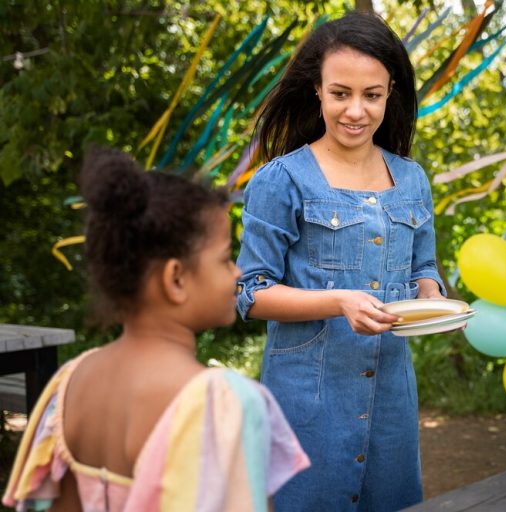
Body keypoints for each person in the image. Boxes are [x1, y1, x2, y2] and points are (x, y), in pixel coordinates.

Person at [3, 147, 309, 511]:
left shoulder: (70, 383)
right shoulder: (222, 403)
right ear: (175, 278)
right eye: (226, 258)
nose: (237, 273)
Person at [236, 11, 446, 511]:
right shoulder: (280, 180)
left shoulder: (411, 179)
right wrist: (338, 300)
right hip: (308, 401)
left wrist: (433, 301)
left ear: (391, 90)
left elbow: (424, 269)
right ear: (317, 90)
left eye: (372, 95)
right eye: (340, 93)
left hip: (392, 398)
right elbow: (250, 292)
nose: (356, 110)